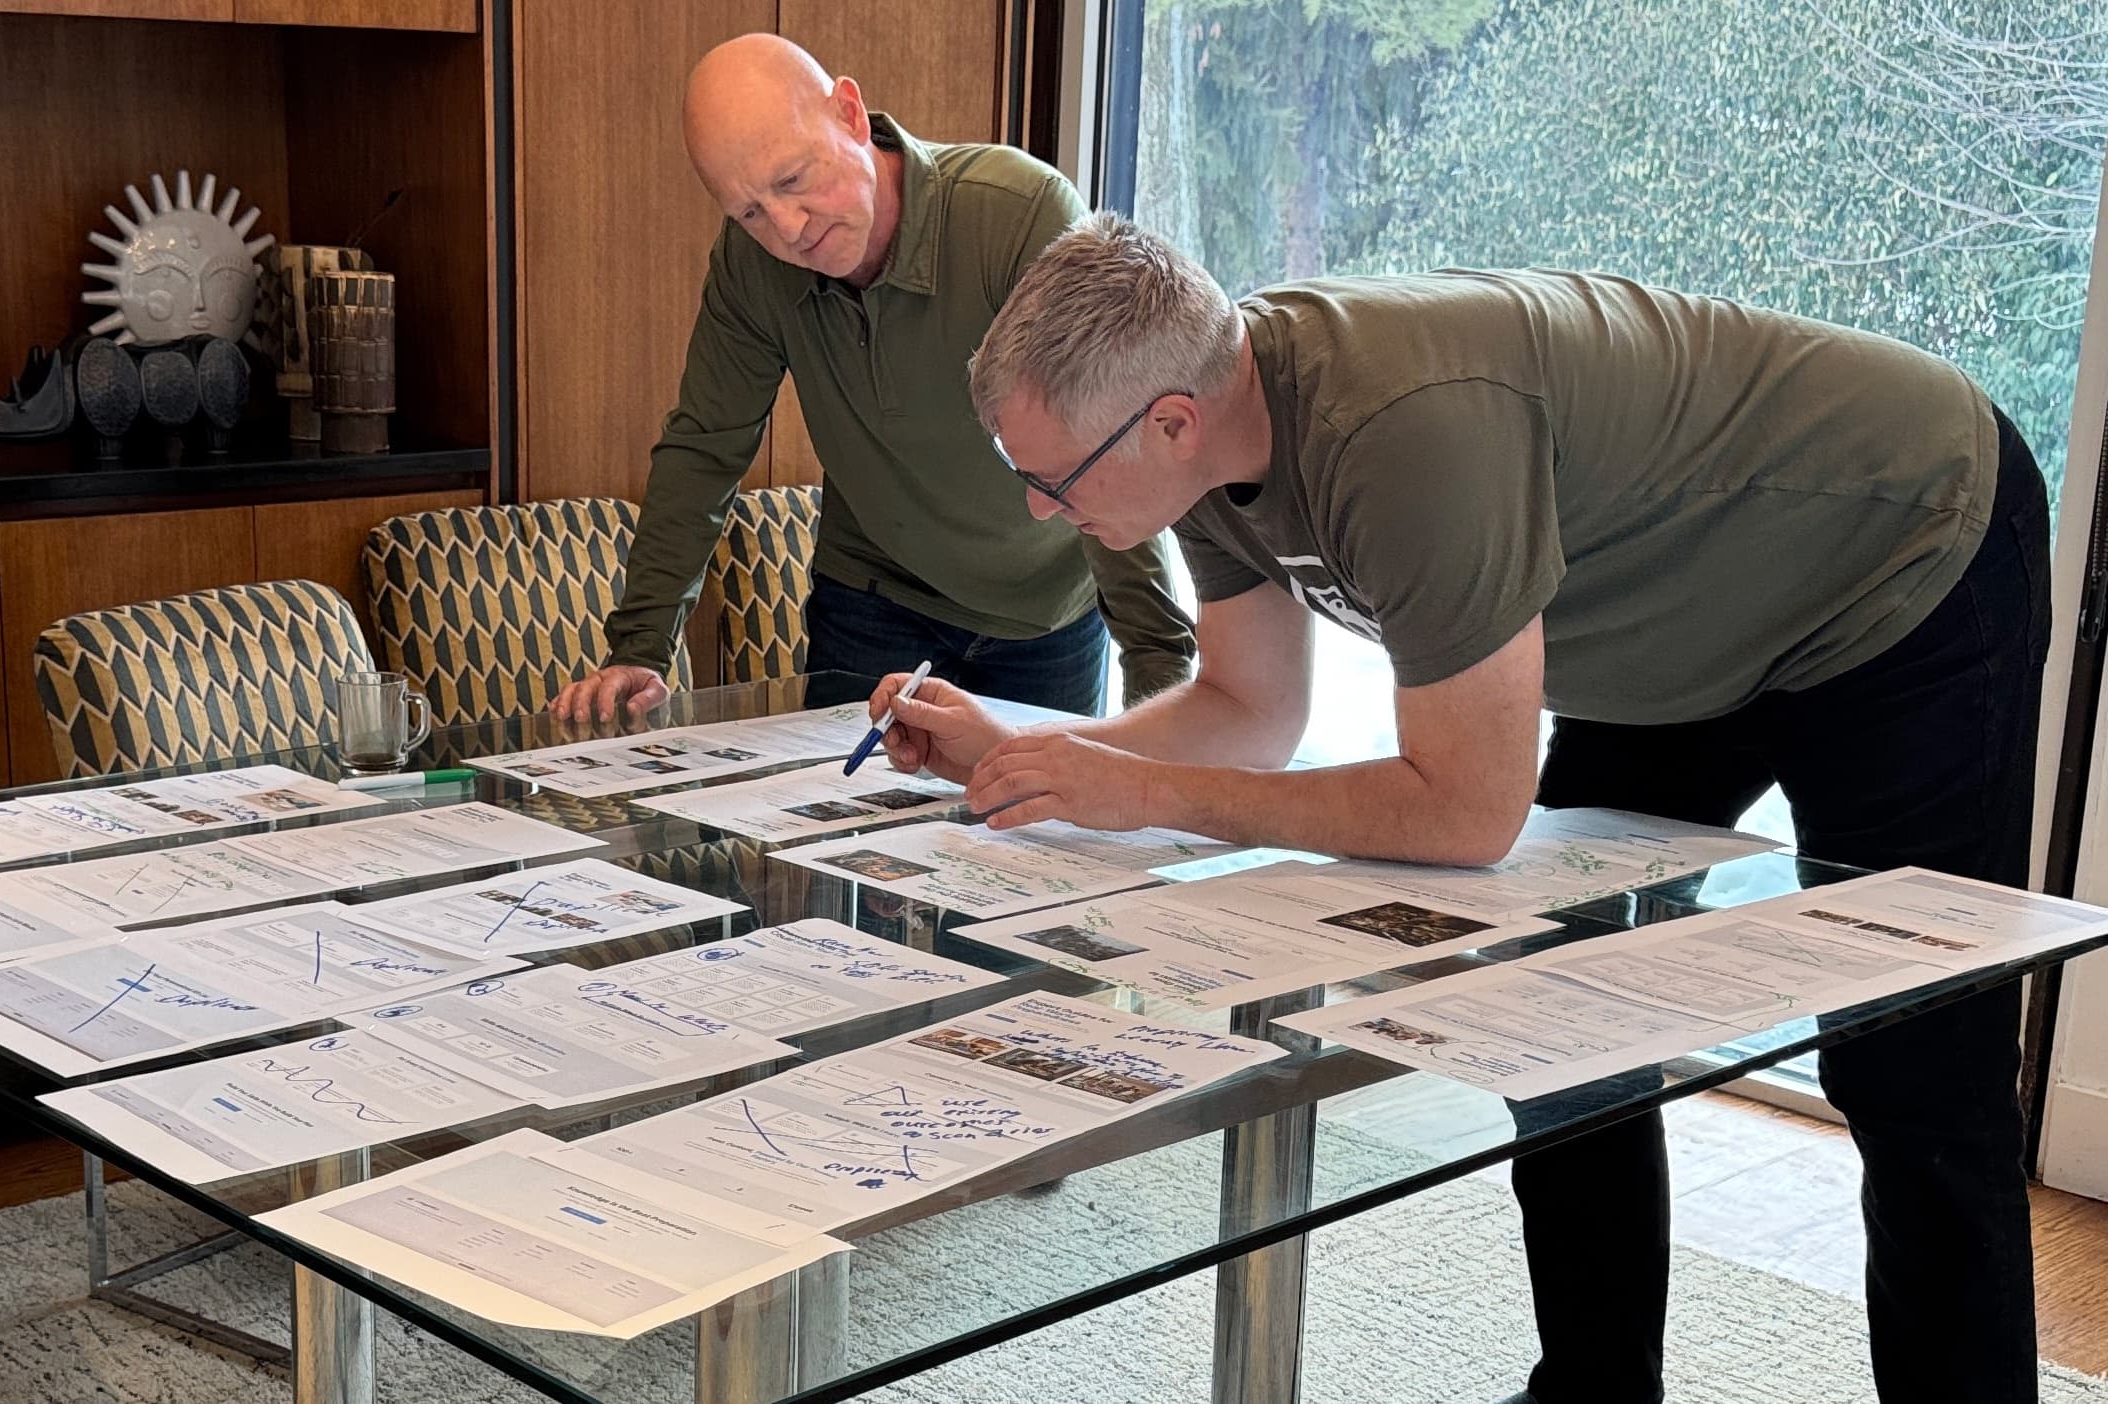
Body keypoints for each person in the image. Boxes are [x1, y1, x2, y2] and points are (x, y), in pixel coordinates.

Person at [877, 212, 2049, 1404]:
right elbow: (1246, 707)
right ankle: (1592, 1391)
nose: (1033, 510)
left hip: (1902, 553)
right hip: (1691, 623)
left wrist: (1145, 795)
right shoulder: (1212, 446)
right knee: (1560, 1009)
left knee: (1916, 1062)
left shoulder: (1401, 434)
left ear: (1168, 421)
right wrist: (1027, 746)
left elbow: (1466, 811)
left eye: (1048, 479)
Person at [547, 35, 1194, 726]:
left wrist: (1161, 676)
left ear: (851, 116)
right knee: (835, 824)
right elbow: (705, 448)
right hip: (874, 597)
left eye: (794, 179)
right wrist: (641, 646)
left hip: (1041, 612)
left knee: (1029, 826)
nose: (789, 230)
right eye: (751, 212)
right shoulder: (751, 265)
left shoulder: (1018, 215)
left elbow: (1113, 439)